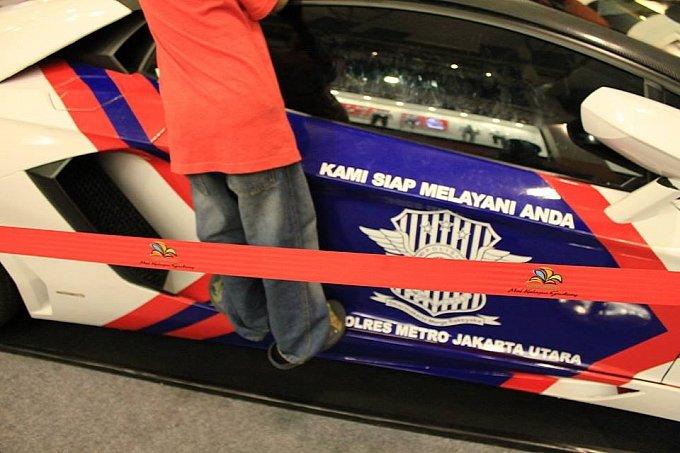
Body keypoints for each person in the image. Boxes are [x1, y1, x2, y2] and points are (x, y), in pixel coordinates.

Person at [138, 0, 346, 369]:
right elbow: (270, 5)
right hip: (244, 117)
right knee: (283, 239)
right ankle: (301, 339)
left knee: (223, 236)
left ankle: (250, 321)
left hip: (189, 121)